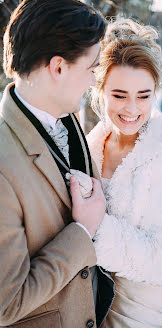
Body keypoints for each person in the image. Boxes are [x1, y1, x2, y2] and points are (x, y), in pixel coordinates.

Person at [0, 1, 115, 327]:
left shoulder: (65, 114)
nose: (94, 80)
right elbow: (6, 304)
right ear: (58, 67)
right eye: (91, 68)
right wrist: (81, 231)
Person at [87, 18, 162, 327]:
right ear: (100, 90)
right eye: (119, 94)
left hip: (149, 312)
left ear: (157, 92)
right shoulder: (89, 146)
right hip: (94, 307)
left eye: (144, 95)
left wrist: (93, 229)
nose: (131, 109)